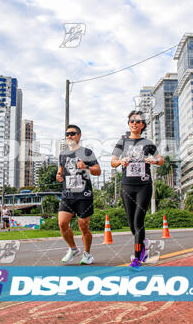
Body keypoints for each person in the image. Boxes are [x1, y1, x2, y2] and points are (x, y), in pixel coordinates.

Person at [111, 111, 163, 270]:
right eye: (132, 121)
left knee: (138, 221)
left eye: (138, 121)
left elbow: (161, 160)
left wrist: (153, 160)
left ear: (143, 125)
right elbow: (113, 162)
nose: (135, 123)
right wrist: (121, 161)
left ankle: (137, 259)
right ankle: (144, 243)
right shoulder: (122, 142)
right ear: (129, 124)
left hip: (144, 185)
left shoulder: (148, 142)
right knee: (131, 223)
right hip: (127, 185)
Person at [56, 124, 101, 265]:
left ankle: (87, 254)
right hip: (68, 194)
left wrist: (86, 167)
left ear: (79, 135)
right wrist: (59, 175)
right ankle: (73, 249)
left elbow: (98, 171)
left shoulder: (87, 152)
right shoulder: (63, 154)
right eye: (67, 134)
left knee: (83, 226)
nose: (69, 136)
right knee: (62, 224)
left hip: (84, 195)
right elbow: (61, 170)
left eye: (73, 133)